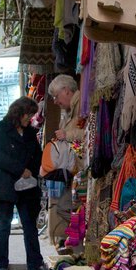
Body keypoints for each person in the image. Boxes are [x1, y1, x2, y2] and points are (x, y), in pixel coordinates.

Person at [0, 96, 48, 270]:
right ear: (19, 113)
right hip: (5, 184)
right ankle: (1, 264)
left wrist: (32, 170)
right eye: (28, 114)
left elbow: (38, 154)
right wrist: (20, 170)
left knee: (30, 225)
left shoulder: (30, 132)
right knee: (3, 225)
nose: (30, 118)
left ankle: (35, 263)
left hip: (28, 187)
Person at [45, 75, 86, 250]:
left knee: (70, 208)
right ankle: (74, 243)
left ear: (66, 91)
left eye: (56, 96)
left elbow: (90, 132)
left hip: (82, 170)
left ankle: (77, 246)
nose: (55, 101)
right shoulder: (69, 110)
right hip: (72, 172)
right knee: (66, 207)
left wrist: (67, 136)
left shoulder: (82, 105)